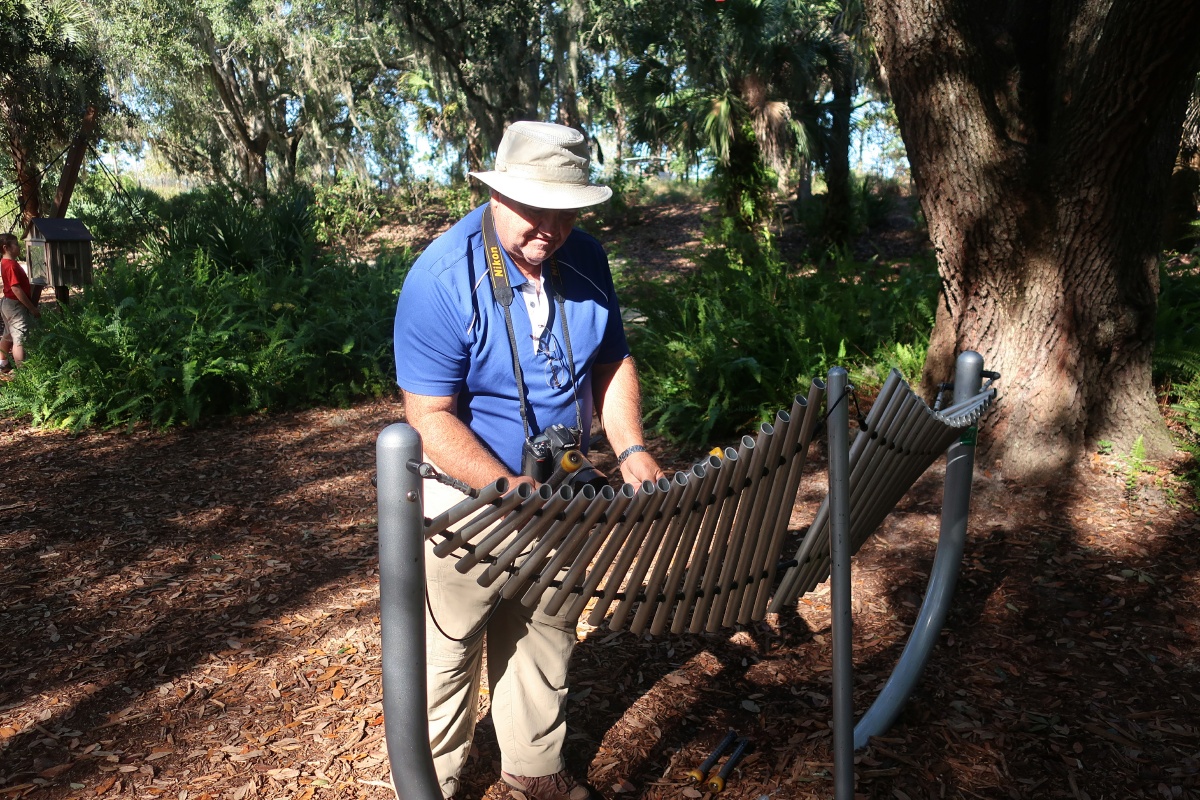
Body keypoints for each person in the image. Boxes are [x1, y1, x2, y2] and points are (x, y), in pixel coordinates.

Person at [392, 120, 665, 800]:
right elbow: (428, 416)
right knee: (445, 657)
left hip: (559, 495)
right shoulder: (441, 277)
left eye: (565, 211)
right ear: (497, 194)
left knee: (546, 633)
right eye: (533, 208)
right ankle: (436, 785)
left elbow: (612, 361)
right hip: (462, 505)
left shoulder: (587, 259)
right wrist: (508, 488)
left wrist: (629, 447)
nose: (550, 227)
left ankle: (533, 773)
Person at [0, 233, 40, 373]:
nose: (18, 247)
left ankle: (3, 363)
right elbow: (16, 289)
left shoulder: (6, 263)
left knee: (8, 334)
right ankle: (23, 374)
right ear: (6, 247)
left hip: (7, 303)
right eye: (15, 244)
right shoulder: (10, 265)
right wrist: (32, 308)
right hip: (15, 305)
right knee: (20, 338)